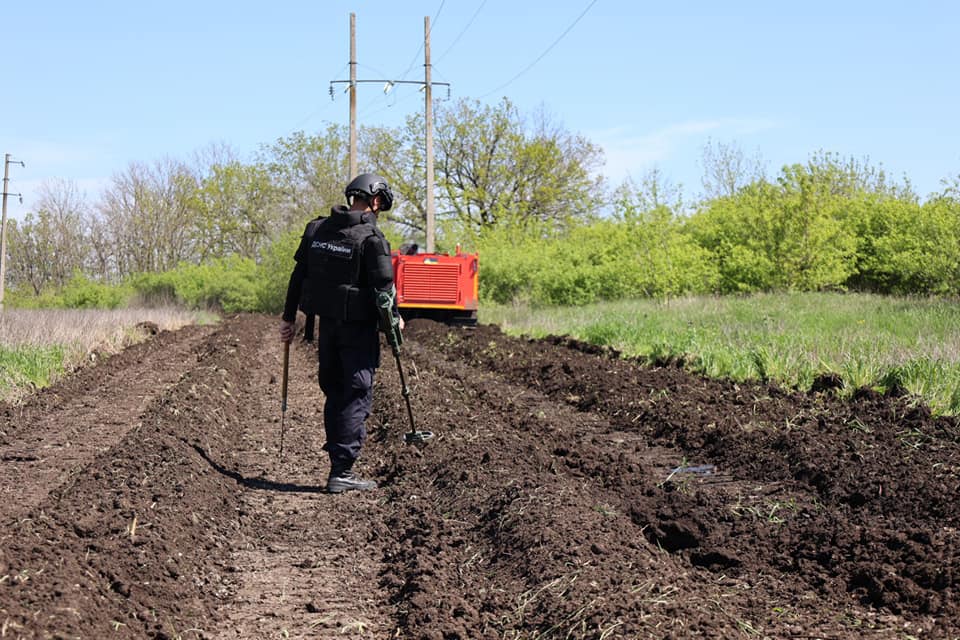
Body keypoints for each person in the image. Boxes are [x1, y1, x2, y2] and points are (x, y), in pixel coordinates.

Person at [279, 173, 403, 494]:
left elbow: (298, 276)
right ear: (375, 201)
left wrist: (289, 318)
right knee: (356, 391)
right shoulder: (372, 239)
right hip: (357, 331)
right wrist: (395, 327)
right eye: (381, 206)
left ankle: (338, 460)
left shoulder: (317, 230)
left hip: (327, 327)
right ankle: (343, 470)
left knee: (335, 389)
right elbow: (384, 291)